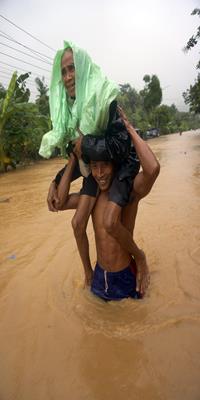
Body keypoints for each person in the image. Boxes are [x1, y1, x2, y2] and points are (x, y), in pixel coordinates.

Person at [44, 42, 148, 280]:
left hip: (120, 165)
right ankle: (89, 274)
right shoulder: (70, 110)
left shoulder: (103, 98)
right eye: (64, 72)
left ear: (83, 71)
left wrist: (86, 144)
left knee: (111, 221)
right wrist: (55, 180)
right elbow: (80, 156)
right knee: (77, 224)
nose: (68, 77)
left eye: (73, 69)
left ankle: (138, 257)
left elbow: (120, 146)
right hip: (95, 165)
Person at [56, 109, 160, 299]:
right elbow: (59, 203)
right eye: (94, 167)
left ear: (115, 164)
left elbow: (152, 169)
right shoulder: (91, 198)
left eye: (105, 165)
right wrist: (72, 158)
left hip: (126, 275)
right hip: (99, 275)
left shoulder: (128, 193)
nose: (100, 173)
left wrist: (128, 129)